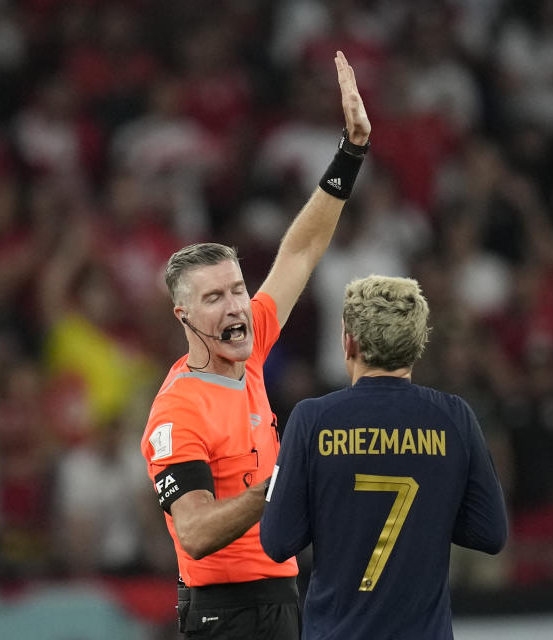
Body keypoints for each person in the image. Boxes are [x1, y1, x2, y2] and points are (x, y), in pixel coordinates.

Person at [139, 51, 371, 640]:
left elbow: (299, 251)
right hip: (225, 613)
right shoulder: (178, 411)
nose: (237, 306)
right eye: (214, 298)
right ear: (183, 315)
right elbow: (192, 531)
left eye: (239, 289)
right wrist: (279, 482)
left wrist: (350, 154)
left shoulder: (254, 346)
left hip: (281, 598)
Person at [260, 275, 508, 640]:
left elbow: (277, 541)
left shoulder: (312, 419)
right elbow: (491, 533)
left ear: (349, 342)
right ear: (417, 345)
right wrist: (430, 516)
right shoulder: (455, 417)